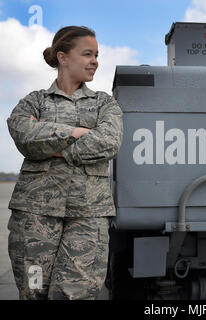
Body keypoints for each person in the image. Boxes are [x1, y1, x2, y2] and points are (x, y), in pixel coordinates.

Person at [6, 26, 123, 300]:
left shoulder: (104, 104)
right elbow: (23, 134)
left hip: (88, 217)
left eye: (97, 54)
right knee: (33, 291)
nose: (95, 61)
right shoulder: (34, 101)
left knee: (75, 294)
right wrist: (74, 132)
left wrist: (51, 147)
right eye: (87, 54)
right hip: (35, 218)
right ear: (63, 57)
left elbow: (109, 142)